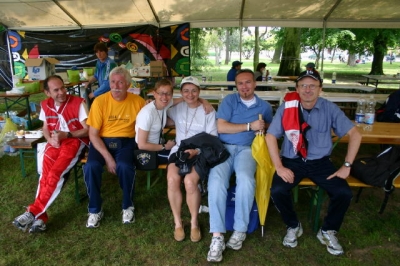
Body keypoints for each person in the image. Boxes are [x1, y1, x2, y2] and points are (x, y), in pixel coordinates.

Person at [266, 71, 362, 255]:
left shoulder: (329, 108)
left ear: (320, 89)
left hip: (320, 162)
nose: (307, 89)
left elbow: (355, 134)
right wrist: (279, 166)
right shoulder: (287, 107)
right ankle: (293, 225)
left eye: (312, 85)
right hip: (292, 160)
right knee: (277, 190)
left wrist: (347, 165)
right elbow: (271, 136)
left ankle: (328, 230)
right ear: (297, 88)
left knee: (343, 193)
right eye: (303, 85)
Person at [206, 69, 273, 262]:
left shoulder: (265, 107)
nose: (244, 87)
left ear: (255, 84)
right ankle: (217, 235)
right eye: (240, 83)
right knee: (216, 182)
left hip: (247, 149)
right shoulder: (229, 101)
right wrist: (249, 126)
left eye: (248, 82)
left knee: (245, 180)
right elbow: (220, 127)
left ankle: (240, 229)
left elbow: (270, 127)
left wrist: (264, 127)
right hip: (224, 148)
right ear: (236, 86)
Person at [12, 75, 89, 233]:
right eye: (56, 90)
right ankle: (41, 217)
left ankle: (32, 212)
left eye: (63, 87)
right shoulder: (45, 104)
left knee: (55, 173)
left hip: (74, 141)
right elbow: (46, 127)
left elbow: (87, 129)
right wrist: (49, 139)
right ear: (47, 93)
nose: (62, 92)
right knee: (45, 175)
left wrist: (66, 135)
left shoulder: (77, 102)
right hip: (54, 141)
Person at [84, 66, 145, 228]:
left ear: (128, 84)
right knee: (91, 166)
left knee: (125, 166)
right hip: (101, 141)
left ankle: (127, 205)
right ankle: (95, 209)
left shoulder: (138, 102)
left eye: (120, 82)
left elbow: (153, 119)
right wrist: (108, 158)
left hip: (126, 142)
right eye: (112, 82)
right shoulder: (99, 101)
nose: (116, 86)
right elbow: (93, 134)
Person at [166, 76, 218, 243]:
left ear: (199, 91)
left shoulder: (208, 110)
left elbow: (211, 138)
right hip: (179, 150)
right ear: (180, 93)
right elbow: (161, 104)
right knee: (173, 180)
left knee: (189, 182)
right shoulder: (177, 107)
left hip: (200, 151)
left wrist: (196, 150)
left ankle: (194, 222)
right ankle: (177, 222)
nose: (190, 94)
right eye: (186, 91)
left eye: (194, 91)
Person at [135, 79, 214, 164]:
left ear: (172, 95)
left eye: (168, 94)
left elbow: (187, 97)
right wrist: (165, 147)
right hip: (149, 152)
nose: (165, 97)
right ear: (154, 94)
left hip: (159, 144)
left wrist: (205, 102)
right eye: (161, 93)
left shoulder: (164, 104)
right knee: (182, 156)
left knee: (183, 152)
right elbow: (142, 145)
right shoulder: (147, 113)